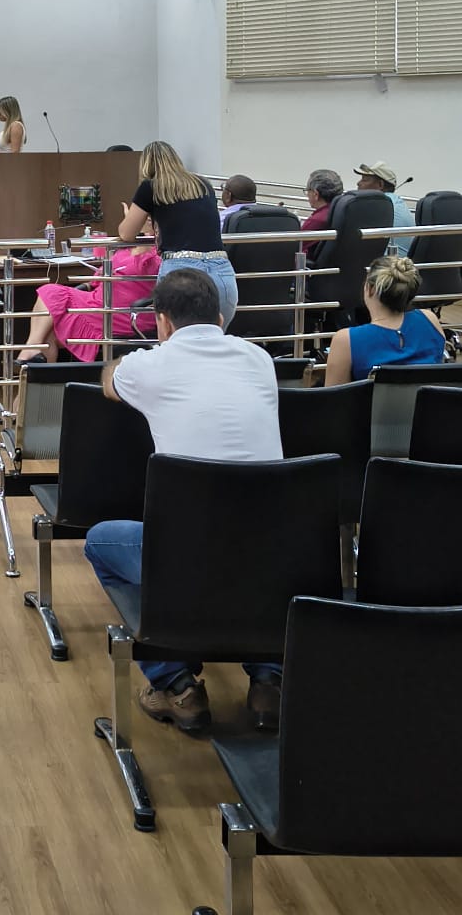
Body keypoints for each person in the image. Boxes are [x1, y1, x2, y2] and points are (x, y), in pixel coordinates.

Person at [83, 268, 283, 735]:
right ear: (220, 317)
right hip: (270, 556)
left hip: (188, 562)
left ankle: (176, 684)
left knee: (100, 542)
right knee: (251, 551)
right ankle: (269, 681)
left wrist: (133, 359)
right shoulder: (260, 360)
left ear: (162, 322)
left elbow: (110, 381)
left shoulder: (147, 367)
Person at [117, 140, 236, 327]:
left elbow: (126, 233)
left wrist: (130, 217)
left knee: (179, 341)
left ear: (146, 166)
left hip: (181, 273)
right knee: (214, 340)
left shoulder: (151, 187)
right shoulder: (202, 184)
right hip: (222, 270)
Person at [15, 234, 161, 364]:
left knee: (51, 295)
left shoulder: (160, 252)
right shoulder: (125, 246)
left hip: (124, 313)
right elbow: (99, 277)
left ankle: (30, 353)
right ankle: (36, 362)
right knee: (49, 326)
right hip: (97, 303)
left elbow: (151, 269)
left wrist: (148, 241)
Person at [324, 254, 446, 385]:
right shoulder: (430, 320)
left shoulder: (345, 340)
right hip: (426, 398)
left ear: (370, 289)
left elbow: (335, 396)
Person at [356, 160, 413, 256]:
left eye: (365, 180)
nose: (358, 183)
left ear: (380, 185)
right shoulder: (397, 201)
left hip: (385, 263)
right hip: (402, 261)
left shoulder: (377, 205)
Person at [299, 167, 344, 257]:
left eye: (308, 191)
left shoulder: (317, 220)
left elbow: (295, 244)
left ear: (316, 194)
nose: (307, 195)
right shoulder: (340, 212)